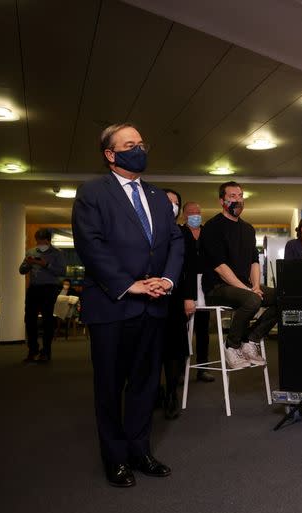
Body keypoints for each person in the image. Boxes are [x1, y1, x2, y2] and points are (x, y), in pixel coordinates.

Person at [71, 123, 183, 488]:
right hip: (112, 306)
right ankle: (115, 458)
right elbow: (91, 245)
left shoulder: (155, 196)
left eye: (141, 143)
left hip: (154, 306)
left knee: (146, 385)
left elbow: (175, 241)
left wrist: (166, 279)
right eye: (130, 144)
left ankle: (140, 451)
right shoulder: (92, 193)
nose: (139, 149)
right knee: (109, 386)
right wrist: (128, 284)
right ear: (110, 154)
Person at [200, 181, 277, 369]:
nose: (238, 200)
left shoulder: (248, 229)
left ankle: (251, 339)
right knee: (252, 300)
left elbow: (254, 261)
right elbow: (220, 268)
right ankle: (232, 345)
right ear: (222, 200)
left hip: (243, 287)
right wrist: (248, 290)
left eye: (240, 196)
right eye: (232, 196)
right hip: (217, 287)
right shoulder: (212, 227)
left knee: (284, 297)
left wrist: (256, 286)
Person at [159, 188, 188, 420]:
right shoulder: (146, 229)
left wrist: (189, 297)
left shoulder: (182, 233)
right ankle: (152, 392)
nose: (172, 206)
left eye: (176, 202)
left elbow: (187, 269)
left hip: (175, 298)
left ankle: (171, 394)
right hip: (148, 296)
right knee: (149, 349)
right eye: (167, 201)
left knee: (174, 349)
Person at [19, 228, 67, 363]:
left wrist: (46, 264)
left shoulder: (58, 253)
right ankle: (32, 350)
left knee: (47, 321)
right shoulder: (31, 252)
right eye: (37, 241)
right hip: (33, 289)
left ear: (48, 240)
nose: (39, 244)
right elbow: (21, 270)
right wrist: (28, 264)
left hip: (49, 289)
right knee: (29, 320)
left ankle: (46, 351)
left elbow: (62, 272)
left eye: (42, 241)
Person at [180, 201, 214, 383]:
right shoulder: (179, 232)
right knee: (182, 328)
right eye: (191, 212)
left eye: (198, 212)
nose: (195, 215)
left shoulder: (208, 233)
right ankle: (179, 370)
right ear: (184, 215)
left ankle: (203, 368)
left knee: (203, 329)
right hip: (186, 283)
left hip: (205, 283)